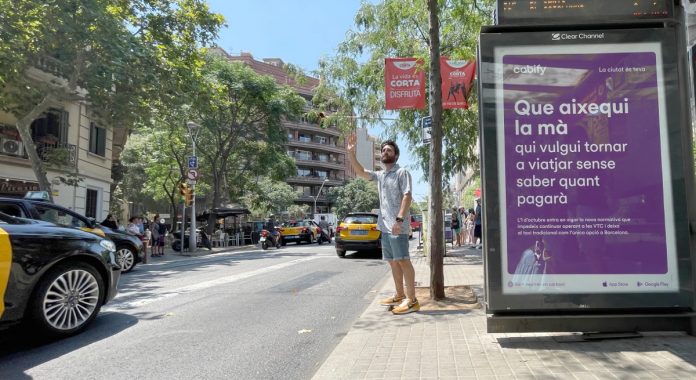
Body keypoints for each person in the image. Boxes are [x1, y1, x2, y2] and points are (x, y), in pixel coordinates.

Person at [347, 133, 418, 314]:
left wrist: (400, 219)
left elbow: (407, 196)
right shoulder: (380, 175)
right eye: (383, 149)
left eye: (389, 150)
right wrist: (351, 153)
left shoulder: (402, 172)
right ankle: (400, 295)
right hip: (384, 226)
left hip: (397, 226)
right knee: (393, 262)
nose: (385, 152)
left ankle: (412, 300)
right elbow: (362, 172)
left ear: (396, 155)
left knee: (403, 260)